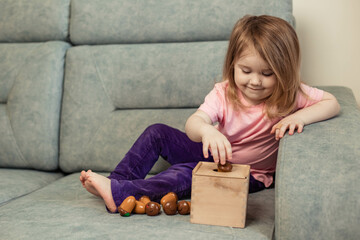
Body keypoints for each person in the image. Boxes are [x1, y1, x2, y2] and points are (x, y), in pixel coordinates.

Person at [80, 15, 340, 213]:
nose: (255, 82)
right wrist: (207, 131)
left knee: (182, 175)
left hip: (248, 172)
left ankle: (118, 194)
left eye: (267, 73)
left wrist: (299, 117)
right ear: (233, 65)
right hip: (212, 152)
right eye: (246, 71)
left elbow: (332, 103)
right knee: (157, 131)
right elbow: (194, 123)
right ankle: (116, 183)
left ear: (283, 71)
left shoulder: (289, 94)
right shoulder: (224, 92)